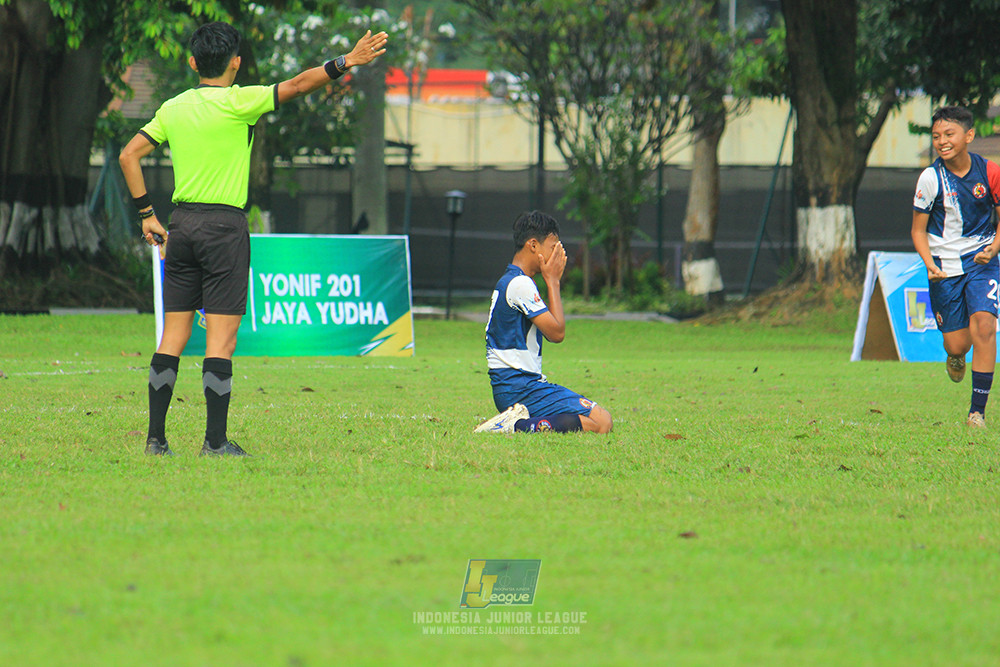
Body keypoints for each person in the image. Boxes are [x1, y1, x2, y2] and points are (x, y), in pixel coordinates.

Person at [119, 22, 388, 455]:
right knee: (220, 341)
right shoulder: (240, 100)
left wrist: (148, 215)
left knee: (172, 337)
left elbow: (128, 154)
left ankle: (155, 440)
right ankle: (215, 442)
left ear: (192, 63)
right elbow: (300, 85)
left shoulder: (173, 108)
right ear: (236, 63)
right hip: (224, 228)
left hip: (182, 226)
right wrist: (346, 61)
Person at [474, 210, 613, 434]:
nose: (558, 254)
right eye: (553, 247)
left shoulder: (513, 280)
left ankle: (516, 423)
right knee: (601, 423)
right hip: (520, 388)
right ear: (533, 245)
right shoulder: (520, 284)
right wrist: (553, 281)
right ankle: (513, 426)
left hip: (515, 386)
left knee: (600, 421)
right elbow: (556, 333)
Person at [911, 105, 1000, 427]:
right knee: (958, 343)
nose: (942, 141)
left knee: (986, 328)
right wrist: (929, 263)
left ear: (969, 136)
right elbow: (917, 231)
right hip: (944, 267)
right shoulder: (930, 178)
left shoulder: (990, 172)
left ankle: (977, 412)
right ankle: (955, 355)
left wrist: (993, 248)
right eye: (936, 136)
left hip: (982, 261)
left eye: (949, 134)